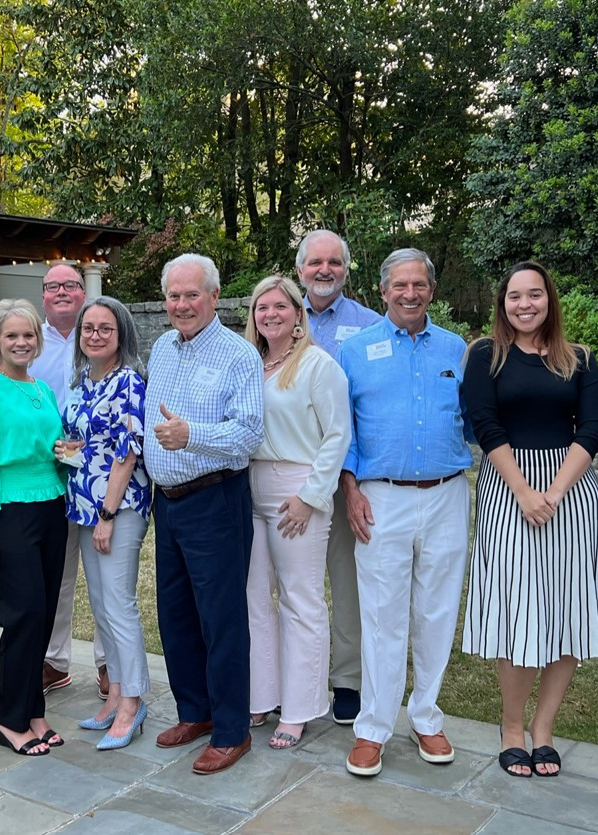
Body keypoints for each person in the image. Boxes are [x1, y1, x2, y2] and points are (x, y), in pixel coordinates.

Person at [460, 261, 598, 779]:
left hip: (571, 491)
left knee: (568, 607)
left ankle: (544, 730)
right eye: (514, 296)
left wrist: (553, 491)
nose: (524, 304)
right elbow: (483, 424)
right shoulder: (485, 355)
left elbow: (593, 429)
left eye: (534, 295)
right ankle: (511, 728)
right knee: (518, 609)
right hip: (508, 486)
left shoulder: (581, 359)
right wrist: (525, 491)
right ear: (501, 302)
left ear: (550, 299)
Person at [337, 248, 473, 778]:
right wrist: (350, 489)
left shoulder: (455, 349)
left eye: (419, 285)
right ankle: (373, 727)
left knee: (437, 611)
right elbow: (342, 426)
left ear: (431, 290)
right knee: (381, 613)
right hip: (379, 496)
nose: (410, 294)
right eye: (400, 286)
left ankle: (427, 716)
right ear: (383, 289)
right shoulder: (357, 349)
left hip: (446, 494)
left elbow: (473, 418)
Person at [144, 253, 264, 775]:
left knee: (222, 620)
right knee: (175, 615)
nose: (181, 304)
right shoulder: (162, 348)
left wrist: (191, 434)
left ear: (215, 298)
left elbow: (248, 433)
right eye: (174, 295)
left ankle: (233, 729)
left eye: (192, 294)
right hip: (166, 505)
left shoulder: (239, 355)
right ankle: (196, 711)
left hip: (215, 499)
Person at [0, 299, 68, 757]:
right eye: (12, 336)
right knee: (21, 617)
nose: (21, 343)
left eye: (28, 336)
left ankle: (34, 710)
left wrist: (64, 452)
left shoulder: (41, 388)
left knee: (42, 615)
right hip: (9, 513)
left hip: (50, 508)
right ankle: (9, 717)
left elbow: (46, 448)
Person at [243, 276, 350, 749]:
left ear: (297, 313)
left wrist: (310, 497)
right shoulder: (251, 364)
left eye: (279, 307)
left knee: (300, 599)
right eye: (262, 308)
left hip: (296, 487)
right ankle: (262, 695)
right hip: (250, 486)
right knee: (253, 598)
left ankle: (301, 708)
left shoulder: (317, 365)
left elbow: (337, 436)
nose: (270, 315)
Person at [56, 296, 153, 750]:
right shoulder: (81, 380)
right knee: (99, 606)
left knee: (118, 604)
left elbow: (127, 451)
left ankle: (133, 701)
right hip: (82, 504)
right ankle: (114, 692)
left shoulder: (128, 381)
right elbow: (82, 439)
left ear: (121, 335)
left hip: (118, 508)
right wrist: (67, 450)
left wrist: (108, 516)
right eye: (88, 328)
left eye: (105, 329)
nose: (95, 335)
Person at [294, 229, 381, 724]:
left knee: (346, 585)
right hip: (286, 479)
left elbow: (366, 412)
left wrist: (349, 481)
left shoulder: (369, 327)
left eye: (334, 262)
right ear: (300, 268)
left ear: (346, 269)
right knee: (293, 587)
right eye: (315, 262)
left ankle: (347, 678)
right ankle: (295, 677)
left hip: (344, 477)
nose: (324, 270)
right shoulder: (279, 318)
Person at [30, 262, 108, 698]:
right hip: (47, 476)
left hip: (94, 476)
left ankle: (105, 662)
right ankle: (54, 661)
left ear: (83, 292)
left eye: (71, 285)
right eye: (54, 286)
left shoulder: (99, 338)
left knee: (102, 574)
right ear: (44, 294)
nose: (62, 292)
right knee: (55, 575)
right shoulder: (29, 340)